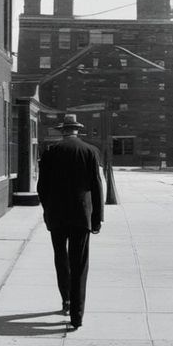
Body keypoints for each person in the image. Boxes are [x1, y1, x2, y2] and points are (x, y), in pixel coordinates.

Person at [35, 113, 105, 330]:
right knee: (80, 264)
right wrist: (97, 218)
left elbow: (42, 187)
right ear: (77, 130)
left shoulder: (50, 152)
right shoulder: (90, 151)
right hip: (81, 216)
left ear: (62, 131)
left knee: (61, 258)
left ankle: (65, 299)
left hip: (57, 216)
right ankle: (77, 315)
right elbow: (96, 186)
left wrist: (47, 211)